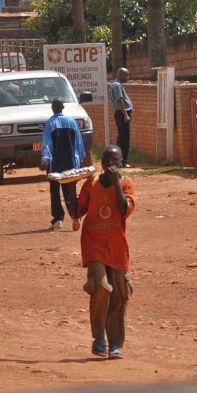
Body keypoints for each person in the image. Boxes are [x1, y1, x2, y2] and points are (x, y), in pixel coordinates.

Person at [77, 144, 135, 360]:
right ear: (101, 163)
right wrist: (65, 188)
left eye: (115, 161)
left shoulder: (126, 183)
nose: (111, 164)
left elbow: (123, 209)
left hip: (117, 248)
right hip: (94, 245)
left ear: (121, 163)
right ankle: (98, 337)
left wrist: (115, 185)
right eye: (107, 161)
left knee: (119, 295)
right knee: (101, 287)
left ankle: (116, 342)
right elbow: (77, 211)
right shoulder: (91, 184)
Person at [41, 97, 87, 231]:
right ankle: (74, 215)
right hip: (70, 163)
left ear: (52, 108)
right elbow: (79, 144)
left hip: (54, 164)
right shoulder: (72, 122)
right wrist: (78, 162)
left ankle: (58, 219)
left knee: (54, 191)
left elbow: (47, 144)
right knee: (69, 191)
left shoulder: (50, 123)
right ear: (62, 108)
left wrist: (45, 161)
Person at [109, 67, 134, 167]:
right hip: (122, 114)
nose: (128, 77)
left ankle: (120, 161)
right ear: (121, 75)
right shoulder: (116, 85)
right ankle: (123, 161)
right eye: (126, 75)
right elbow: (120, 101)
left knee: (123, 137)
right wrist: (126, 115)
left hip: (122, 113)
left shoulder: (118, 85)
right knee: (123, 138)